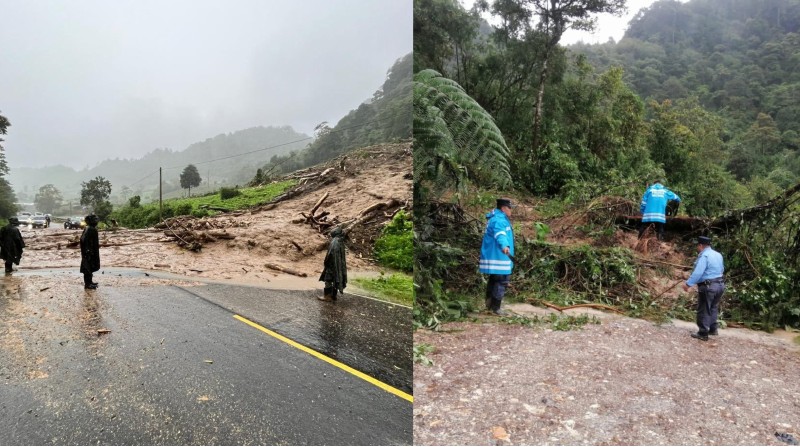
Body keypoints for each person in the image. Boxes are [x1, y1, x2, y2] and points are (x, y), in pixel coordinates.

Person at [682, 236, 725, 341]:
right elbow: (722, 269)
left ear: (700, 245)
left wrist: (688, 284)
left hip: (709, 286)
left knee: (704, 309)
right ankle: (713, 329)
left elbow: (698, 272)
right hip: (720, 285)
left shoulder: (704, 256)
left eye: (698, 246)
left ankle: (703, 333)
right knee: (713, 307)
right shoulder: (718, 254)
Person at [479, 198, 515, 316]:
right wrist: (504, 246)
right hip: (499, 256)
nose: (511, 211)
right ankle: (496, 308)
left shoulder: (496, 218)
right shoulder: (499, 220)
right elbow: (500, 234)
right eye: (510, 208)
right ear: (504, 208)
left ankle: (489, 305)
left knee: (494, 279)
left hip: (496, 255)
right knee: (502, 280)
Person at [318, 226, 347, 302]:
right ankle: (334, 296)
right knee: (336, 279)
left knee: (328, 279)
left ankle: (327, 296)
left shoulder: (335, 242)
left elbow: (330, 254)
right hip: (339, 265)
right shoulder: (341, 240)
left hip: (332, 265)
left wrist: (326, 263)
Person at [80, 214, 101, 289]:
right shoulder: (89, 229)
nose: (96, 221)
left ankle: (90, 282)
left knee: (91, 267)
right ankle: (87, 284)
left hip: (92, 251)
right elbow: (83, 239)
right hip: (88, 252)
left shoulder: (92, 228)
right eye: (94, 219)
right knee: (87, 268)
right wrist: (87, 250)